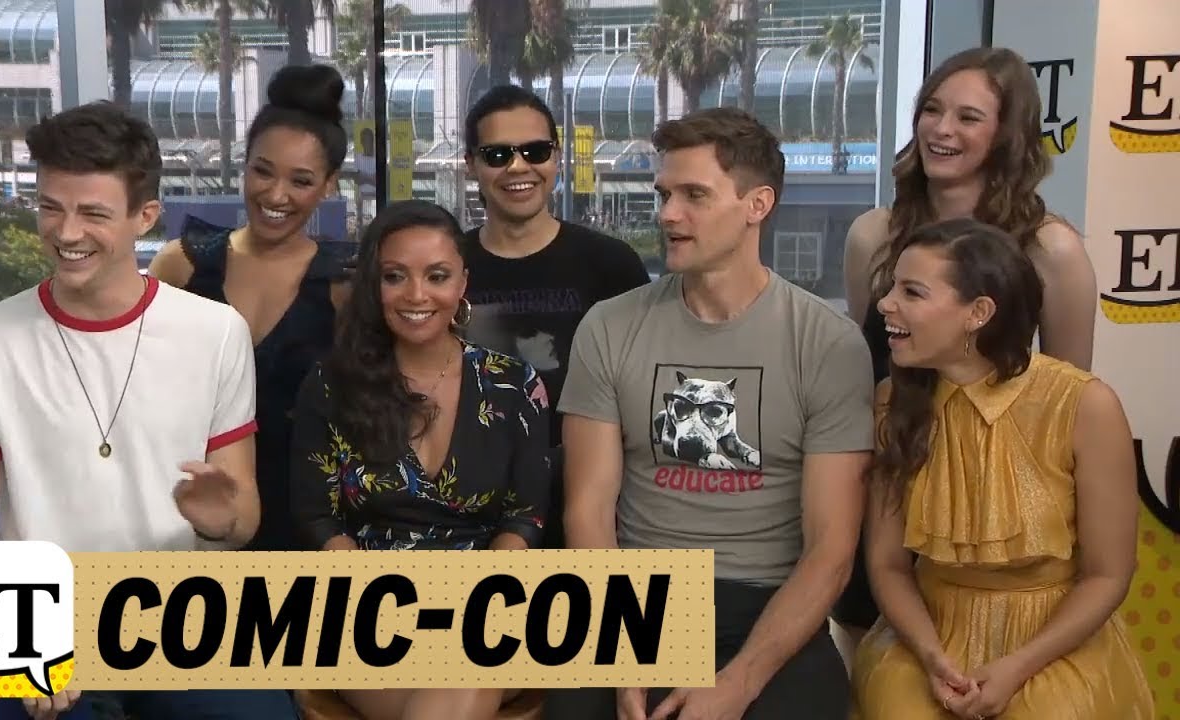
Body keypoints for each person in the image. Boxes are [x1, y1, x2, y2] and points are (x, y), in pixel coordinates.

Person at [0, 102, 298, 718]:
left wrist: (219, 523)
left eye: (93, 214)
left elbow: (243, 517)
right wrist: (23, 652)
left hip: (181, 621)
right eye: (51, 207)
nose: (66, 233)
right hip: (37, 617)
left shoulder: (216, 333)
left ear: (144, 216)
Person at [555, 107, 873, 720]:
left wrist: (739, 682)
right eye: (664, 194)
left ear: (757, 204)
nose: (668, 214)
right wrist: (623, 654)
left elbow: (831, 551)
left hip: (770, 603)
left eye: (694, 195)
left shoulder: (826, 342)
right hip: (637, 602)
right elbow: (587, 511)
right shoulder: (609, 326)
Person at [833, 46, 1100, 644]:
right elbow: (870, 368)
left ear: (1007, 134)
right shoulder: (872, 236)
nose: (942, 129)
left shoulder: (1052, 250)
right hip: (892, 487)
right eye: (932, 109)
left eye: (968, 116)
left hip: (992, 512)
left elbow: (1065, 406)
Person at [849, 217, 1153, 720]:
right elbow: (885, 564)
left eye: (911, 291)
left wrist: (1016, 667)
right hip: (925, 633)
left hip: (1053, 639)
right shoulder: (891, 401)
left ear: (979, 313)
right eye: (892, 286)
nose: (884, 304)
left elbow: (1108, 575)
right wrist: (931, 654)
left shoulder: (1084, 404)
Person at [289, 199, 550, 720]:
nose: (416, 295)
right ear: (374, 286)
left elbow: (526, 518)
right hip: (365, 603)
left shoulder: (515, 385)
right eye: (395, 276)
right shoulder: (332, 385)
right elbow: (318, 518)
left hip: (488, 604)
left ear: (462, 283)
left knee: (471, 669)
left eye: (437, 276)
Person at [150, 62, 352, 552]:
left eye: (301, 181)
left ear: (328, 185)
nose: (276, 195)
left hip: (306, 524)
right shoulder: (181, 265)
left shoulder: (343, 287)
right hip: (187, 509)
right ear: (245, 165)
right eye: (262, 171)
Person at [460, 84, 651, 550]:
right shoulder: (445, 269)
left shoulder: (611, 265)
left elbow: (646, 394)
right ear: (471, 164)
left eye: (535, 151)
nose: (518, 167)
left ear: (557, 157)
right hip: (467, 512)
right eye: (498, 154)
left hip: (593, 509)